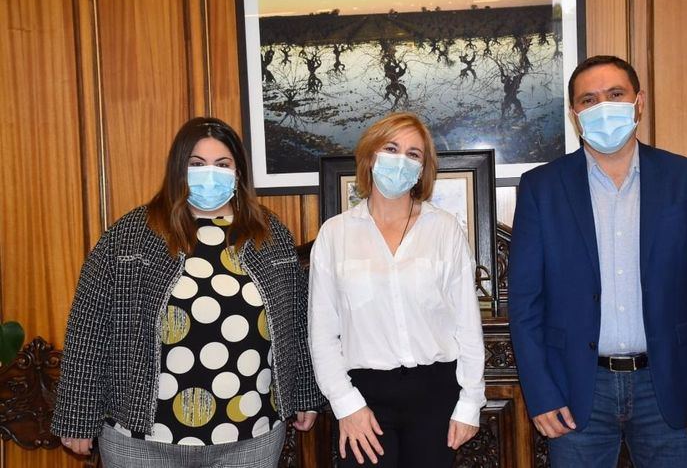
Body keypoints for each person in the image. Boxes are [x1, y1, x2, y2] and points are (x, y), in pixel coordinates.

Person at [52, 117, 325, 467]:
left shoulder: (269, 235)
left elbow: (297, 325)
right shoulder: (131, 234)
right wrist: (78, 417)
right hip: (142, 440)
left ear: (238, 172)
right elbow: (89, 328)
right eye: (197, 164)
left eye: (222, 164)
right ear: (178, 170)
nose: (209, 174)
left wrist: (304, 395)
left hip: (252, 436)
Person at [508, 55, 687, 467]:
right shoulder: (540, 189)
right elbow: (525, 305)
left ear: (639, 101)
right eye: (588, 100)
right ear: (575, 113)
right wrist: (541, 394)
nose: (603, 107)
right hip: (577, 391)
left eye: (615, 95)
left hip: (669, 387)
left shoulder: (686, 180)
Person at [308, 112, 486, 467]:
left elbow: (467, 323)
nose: (401, 160)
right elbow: (323, 332)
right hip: (364, 396)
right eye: (391, 148)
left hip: (436, 393)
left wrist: (470, 402)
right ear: (371, 156)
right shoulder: (335, 234)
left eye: (413, 154)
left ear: (423, 168)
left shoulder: (444, 229)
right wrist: (346, 404)